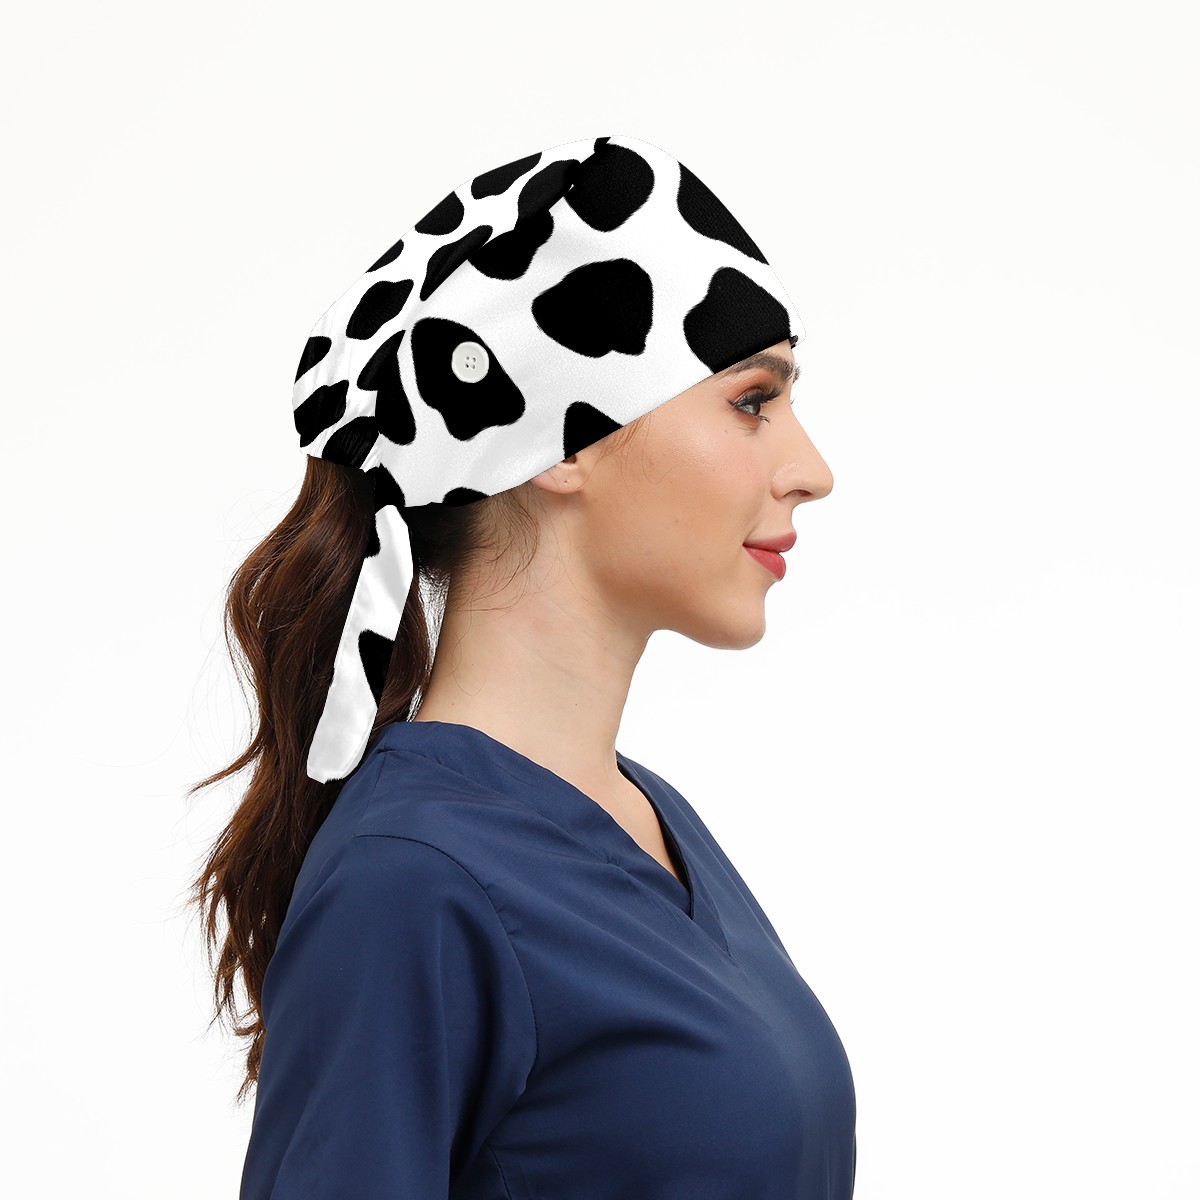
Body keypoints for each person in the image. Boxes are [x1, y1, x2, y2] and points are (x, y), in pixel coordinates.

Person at [189, 133, 856, 1199]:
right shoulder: (412, 879)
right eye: (750, 400)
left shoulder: (647, 818)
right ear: (562, 440)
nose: (810, 469)